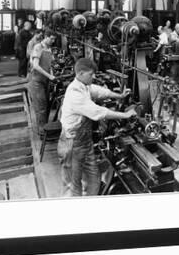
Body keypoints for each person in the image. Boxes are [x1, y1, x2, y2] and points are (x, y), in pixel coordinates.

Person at [58, 58, 136, 197]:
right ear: (81, 73)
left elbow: (99, 91)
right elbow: (99, 112)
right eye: (90, 74)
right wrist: (125, 115)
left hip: (84, 143)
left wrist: (119, 96)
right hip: (72, 143)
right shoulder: (75, 93)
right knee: (74, 186)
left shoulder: (84, 85)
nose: (93, 77)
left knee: (94, 178)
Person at [29, 29, 57, 132]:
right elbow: (35, 66)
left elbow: (50, 66)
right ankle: (41, 131)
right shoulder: (38, 47)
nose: (53, 41)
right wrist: (49, 76)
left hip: (45, 81)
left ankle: (44, 129)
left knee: (45, 105)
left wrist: (52, 76)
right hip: (37, 81)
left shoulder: (49, 49)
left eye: (54, 39)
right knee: (41, 107)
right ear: (46, 36)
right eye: (51, 38)